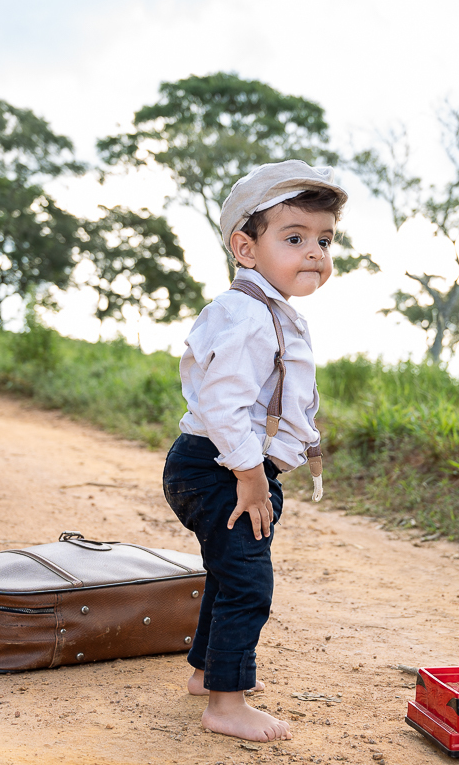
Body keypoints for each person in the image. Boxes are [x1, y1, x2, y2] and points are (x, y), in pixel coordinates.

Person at [162, 160, 347, 742]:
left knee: (227, 567)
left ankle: (206, 671)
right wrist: (249, 474)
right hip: (222, 467)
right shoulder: (246, 315)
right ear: (246, 247)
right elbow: (222, 404)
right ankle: (226, 703)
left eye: (324, 239)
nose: (313, 252)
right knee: (247, 582)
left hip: (228, 464)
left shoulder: (270, 309)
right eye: (294, 238)